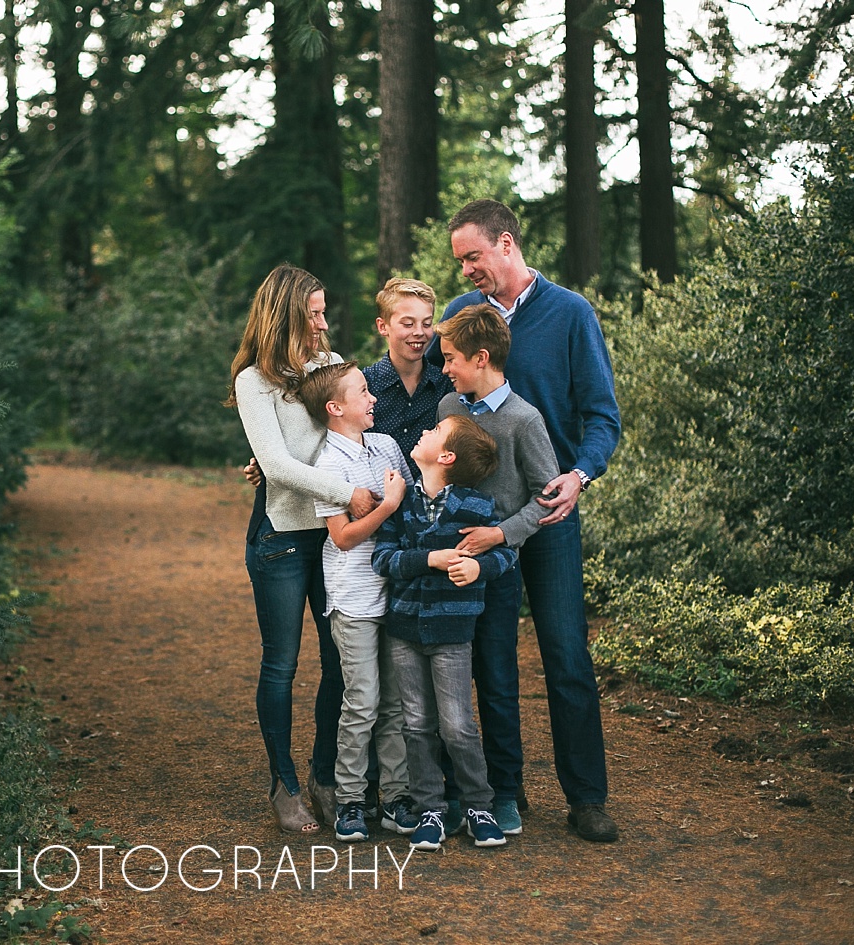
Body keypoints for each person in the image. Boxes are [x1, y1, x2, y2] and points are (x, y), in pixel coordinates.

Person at [436, 199, 622, 842]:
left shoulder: (570, 313)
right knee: (490, 661)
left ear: (506, 244)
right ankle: (502, 795)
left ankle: (587, 798)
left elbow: (603, 415)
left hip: (548, 516)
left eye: (473, 256)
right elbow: (425, 394)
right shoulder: (462, 320)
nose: (465, 270)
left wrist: (581, 474)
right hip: (476, 525)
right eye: (459, 260)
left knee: (567, 653)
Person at [229, 264, 377, 833]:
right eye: (312, 312)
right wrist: (349, 493)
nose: (322, 322)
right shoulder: (253, 381)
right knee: (283, 664)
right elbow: (278, 465)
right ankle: (283, 783)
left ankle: (324, 775)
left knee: (340, 656)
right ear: (286, 313)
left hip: (336, 538)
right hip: (283, 541)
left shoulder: (327, 366)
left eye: (322, 311)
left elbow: (345, 429)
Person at [433, 304, 560, 836]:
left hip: (498, 574)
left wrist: (500, 534)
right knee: (448, 683)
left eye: (452, 360)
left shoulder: (525, 420)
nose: (444, 370)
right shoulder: (446, 406)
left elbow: (548, 496)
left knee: (499, 682)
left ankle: (506, 791)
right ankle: (459, 790)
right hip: (445, 573)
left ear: (481, 358)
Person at [371, 415, 518, 852]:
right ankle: (430, 808)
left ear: (446, 456)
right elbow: (383, 559)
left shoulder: (476, 507)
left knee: (457, 725)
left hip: (454, 630)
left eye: (434, 432)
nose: (423, 432)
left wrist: (477, 566)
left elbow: (504, 558)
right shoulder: (401, 503)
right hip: (404, 629)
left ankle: (478, 805)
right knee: (416, 723)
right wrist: (429, 559)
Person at [301, 362, 410, 842]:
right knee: (362, 700)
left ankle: (397, 797)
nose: (373, 399)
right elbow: (343, 537)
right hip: (354, 599)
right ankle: (350, 800)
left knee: (395, 703)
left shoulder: (385, 446)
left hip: (396, 594)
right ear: (335, 408)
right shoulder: (329, 464)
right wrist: (385, 506)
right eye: (363, 392)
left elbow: (410, 497)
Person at [366, 278, 455, 476]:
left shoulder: (446, 385)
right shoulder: (365, 386)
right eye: (408, 324)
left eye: (426, 324)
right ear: (382, 327)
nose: (419, 333)